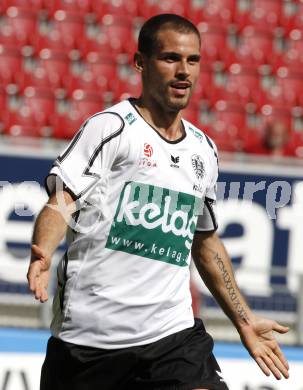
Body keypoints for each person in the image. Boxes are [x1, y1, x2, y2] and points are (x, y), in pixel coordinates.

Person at [27, 14, 290, 390]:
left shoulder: (203, 149)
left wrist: (244, 320)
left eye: (193, 60)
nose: (184, 71)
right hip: (89, 346)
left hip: (173, 340)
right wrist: (45, 250)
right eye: (170, 58)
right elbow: (62, 200)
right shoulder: (112, 128)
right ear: (140, 62)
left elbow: (205, 242)